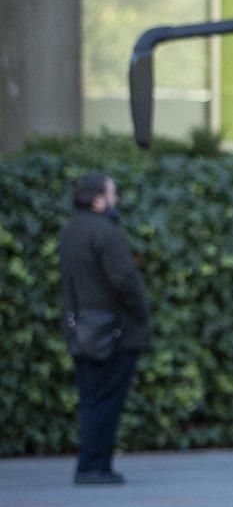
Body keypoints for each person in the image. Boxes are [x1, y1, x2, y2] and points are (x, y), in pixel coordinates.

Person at [59, 171, 151, 485]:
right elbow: (125, 280)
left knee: (91, 400)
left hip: (81, 330)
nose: (117, 199)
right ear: (98, 199)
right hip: (112, 333)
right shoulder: (105, 232)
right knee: (107, 401)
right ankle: (96, 466)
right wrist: (140, 311)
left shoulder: (71, 230)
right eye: (112, 193)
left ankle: (89, 462)